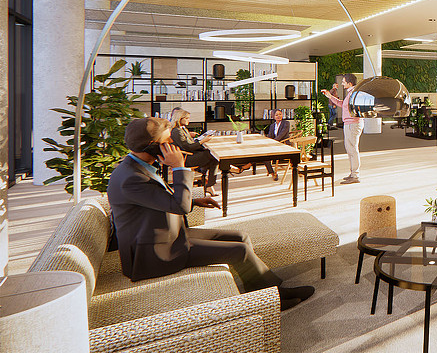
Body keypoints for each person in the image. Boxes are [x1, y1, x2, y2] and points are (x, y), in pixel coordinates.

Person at [107, 117, 314, 310]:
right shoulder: (130, 178)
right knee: (239, 251)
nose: (174, 145)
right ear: (152, 146)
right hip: (156, 253)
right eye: (168, 141)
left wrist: (195, 200)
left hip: (168, 235)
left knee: (241, 237)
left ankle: (268, 291)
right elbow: (179, 206)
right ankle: (271, 301)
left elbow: (154, 200)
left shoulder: (138, 168)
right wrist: (179, 167)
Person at [168, 107, 218, 196]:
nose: (188, 120)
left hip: (190, 154)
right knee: (213, 157)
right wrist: (202, 141)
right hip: (185, 158)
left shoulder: (183, 129)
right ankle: (207, 180)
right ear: (180, 119)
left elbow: (189, 144)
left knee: (213, 158)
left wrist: (200, 140)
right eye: (186, 118)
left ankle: (208, 183)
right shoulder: (177, 131)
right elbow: (188, 147)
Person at [322, 73, 362, 184]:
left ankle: (355, 175)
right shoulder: (350, 93)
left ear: (349, 83)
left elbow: (356, 109)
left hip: (353, 124)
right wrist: (330, 96)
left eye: (343, 82)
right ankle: (353, 173)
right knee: (350, 149)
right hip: (349, 124)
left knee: (353, 149)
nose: (342, 83)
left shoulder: (354, 94)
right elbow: (342, 104)